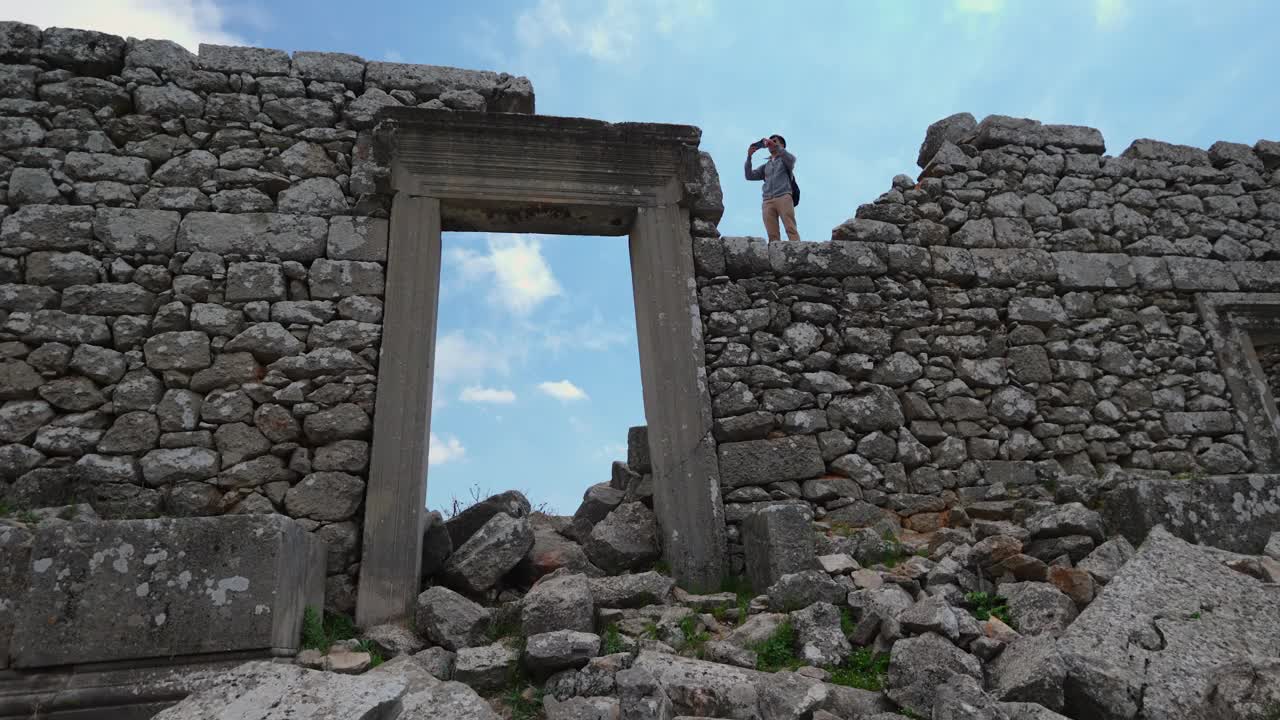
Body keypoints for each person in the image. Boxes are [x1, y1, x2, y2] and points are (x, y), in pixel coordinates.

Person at [745, 134, 799, 242]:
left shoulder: (785, 160)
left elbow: (792, 160)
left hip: (784, 196)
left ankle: (797, 251)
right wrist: (749, 157)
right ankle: (776, 255)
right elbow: (749, 175)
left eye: (774, 141)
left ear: (782, 145)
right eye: (770, 141)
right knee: (772, 234)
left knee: (790, 228)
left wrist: (777, 147)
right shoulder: (766, 165)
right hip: (767, 200)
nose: (770, 143)